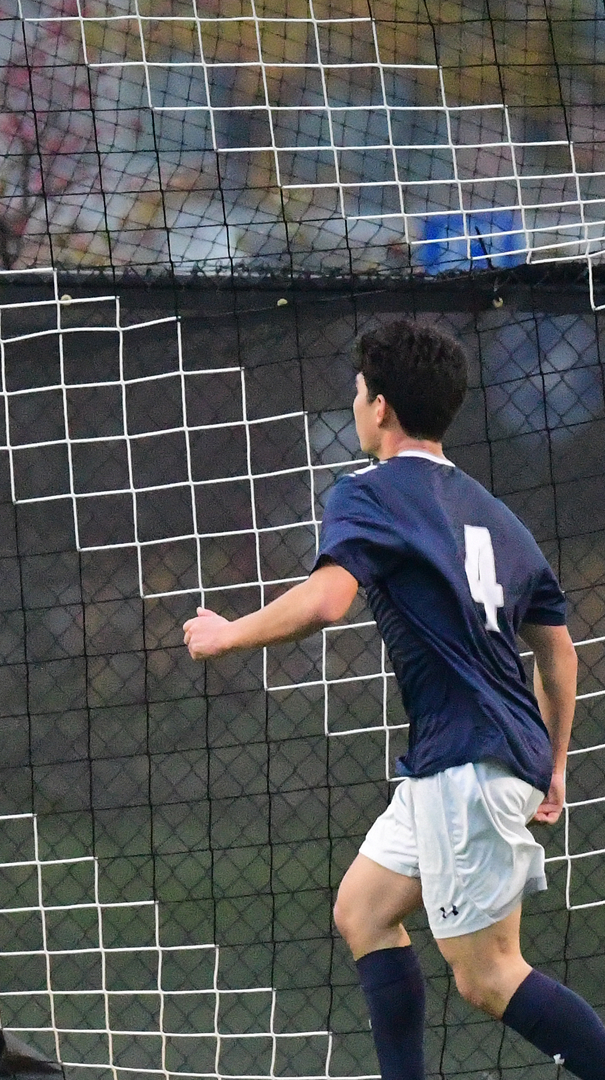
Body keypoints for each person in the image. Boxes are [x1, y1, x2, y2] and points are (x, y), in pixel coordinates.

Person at [184, 320, 602, 1079]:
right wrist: (556, 760)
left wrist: (227, 633)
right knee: (364, 911)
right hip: (472, 756)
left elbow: (326, 602)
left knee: (489, 975)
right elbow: (558, 654)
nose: (354, 403)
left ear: (379, 408)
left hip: (465, 766)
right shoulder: (497, 516)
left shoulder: (367, 493)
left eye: (356, 391)